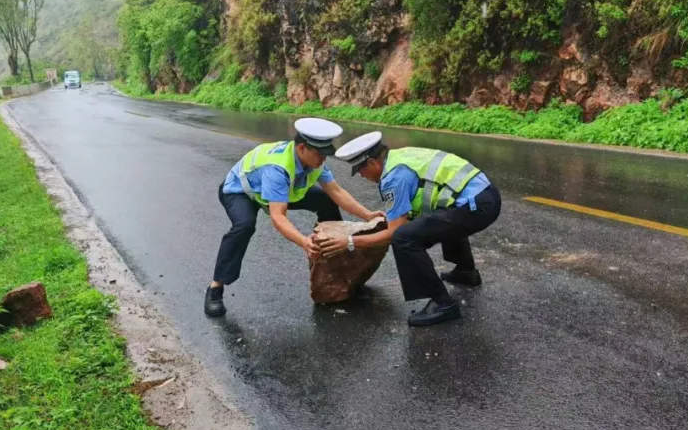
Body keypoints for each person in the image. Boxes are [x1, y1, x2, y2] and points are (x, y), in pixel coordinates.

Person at [205, 118, 384, 318]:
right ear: (301, 148)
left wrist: (367, 214)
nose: (323, 159)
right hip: (242, 192)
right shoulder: (277, 168)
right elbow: (278, 217)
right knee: (244, 225)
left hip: (283, 191)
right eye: (319, 154)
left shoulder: (315, 162)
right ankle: (215, 289)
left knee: (326, 200)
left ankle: (331, 262)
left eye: (326, 154)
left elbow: (336, 191)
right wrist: (304, 242)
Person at [319, 132, 502, 327]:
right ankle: (466, 272)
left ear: (372, 162)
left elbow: (394, 232)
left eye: (360, 170)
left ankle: (442, 303)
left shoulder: (395, 177)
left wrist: (348, 242)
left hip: (478, 207)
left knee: (404, 238)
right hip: (485, 196)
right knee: (440, 216)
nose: (362, 176)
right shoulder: (400, 156)